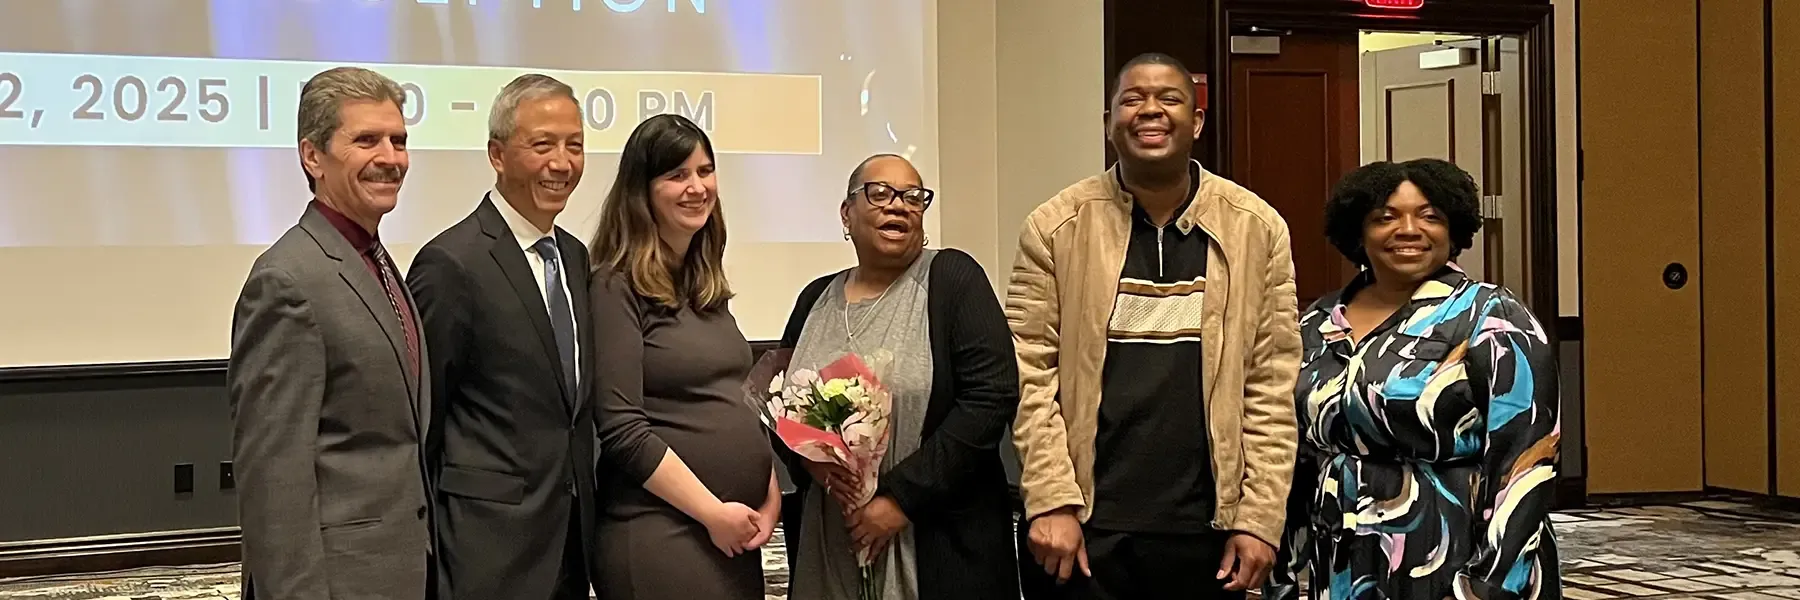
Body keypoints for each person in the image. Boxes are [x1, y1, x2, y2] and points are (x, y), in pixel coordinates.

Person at [1007, 52, 1301, 600]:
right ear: (1108, 123)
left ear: (1196, 122)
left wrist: (1259, 517)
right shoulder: (1055, 227)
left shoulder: (1257, 228)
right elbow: (1029, 372)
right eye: (1132, 99)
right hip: (1084, 528)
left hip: (1210, 533)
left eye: (1169, 98)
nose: (1150, 111)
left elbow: (1271, 383)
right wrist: (1050, 497)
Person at [1265, 158, 1562, 600]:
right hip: (1342, 557)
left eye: (1430, 216)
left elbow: (1526, 463)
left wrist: (1487, 586)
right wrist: (1283, 569)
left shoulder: (1491, 316)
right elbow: (1297, 456)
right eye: (1385, 217)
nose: (1408, 229)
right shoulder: (1316, 324)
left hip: (1454, 555)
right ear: (1357, 231)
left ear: (1454, 230)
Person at [225, 66, 432, 600]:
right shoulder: (286, 281)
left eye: (399, 140)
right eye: (367, 140)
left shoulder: (378, 263)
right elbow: (275, 481)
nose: (391, 157)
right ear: (312, 156)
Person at [777, 154, 1021, 600]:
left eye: (913, 196)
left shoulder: (953, 279)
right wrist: (810, 461)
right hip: (832, 539)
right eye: (880, 193)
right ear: (846, 213)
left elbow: (991, 397)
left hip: (936, 541)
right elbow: (782, 407)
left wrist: (898, 501)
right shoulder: (814, 298)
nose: (899, 205)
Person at [405, 74, 597, 600]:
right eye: (542, 145)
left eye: (574, 145)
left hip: (570, 545)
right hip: (486, 553)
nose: (562, 163)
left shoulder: (576, 257)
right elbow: (423, 423)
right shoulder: (451, 263)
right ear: (497, 153)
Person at [587, 114, 780, 600]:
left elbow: (735, 402)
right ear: (642, 191)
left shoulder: (704, 284)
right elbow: (623, 431)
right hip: (661, 533)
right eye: (677, 175)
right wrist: (712, 512)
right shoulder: (615, 286)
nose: (697, 187)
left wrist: (770, 492)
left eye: (705, 170)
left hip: (733, 535)